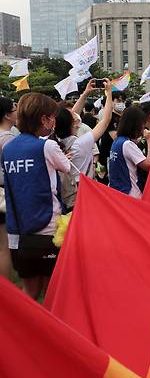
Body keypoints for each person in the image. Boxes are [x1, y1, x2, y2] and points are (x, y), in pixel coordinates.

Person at [2, 93, 70, 300]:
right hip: (47, 228)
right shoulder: (46, 145)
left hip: (17, 231)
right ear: (43, 119)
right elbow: (66, 167)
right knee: (52, 291)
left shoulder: (8, 148)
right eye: (52, 117)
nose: (54, 121)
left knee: (29, 292)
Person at [54, 79, 114, 210]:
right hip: (83, 195)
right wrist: (109, 93)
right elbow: (106, 119)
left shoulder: (54, 141)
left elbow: (66, 117)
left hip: (67, 197)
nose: (76, 116)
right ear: (73, 123)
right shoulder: (80, 143)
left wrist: (86, 93)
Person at [108, 106, 150, 199]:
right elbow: (149, 166)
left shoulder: (117, 141)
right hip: (131, 193)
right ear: (136, 125)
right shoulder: (127, 145)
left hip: (117, 191)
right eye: (142, 124)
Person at [0, 97, 18, 279]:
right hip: (3, 194)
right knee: (3, 247)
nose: (17, 110)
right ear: (7, 115)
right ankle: (5, 293)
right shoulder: (7, 139)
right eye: (15, 108)